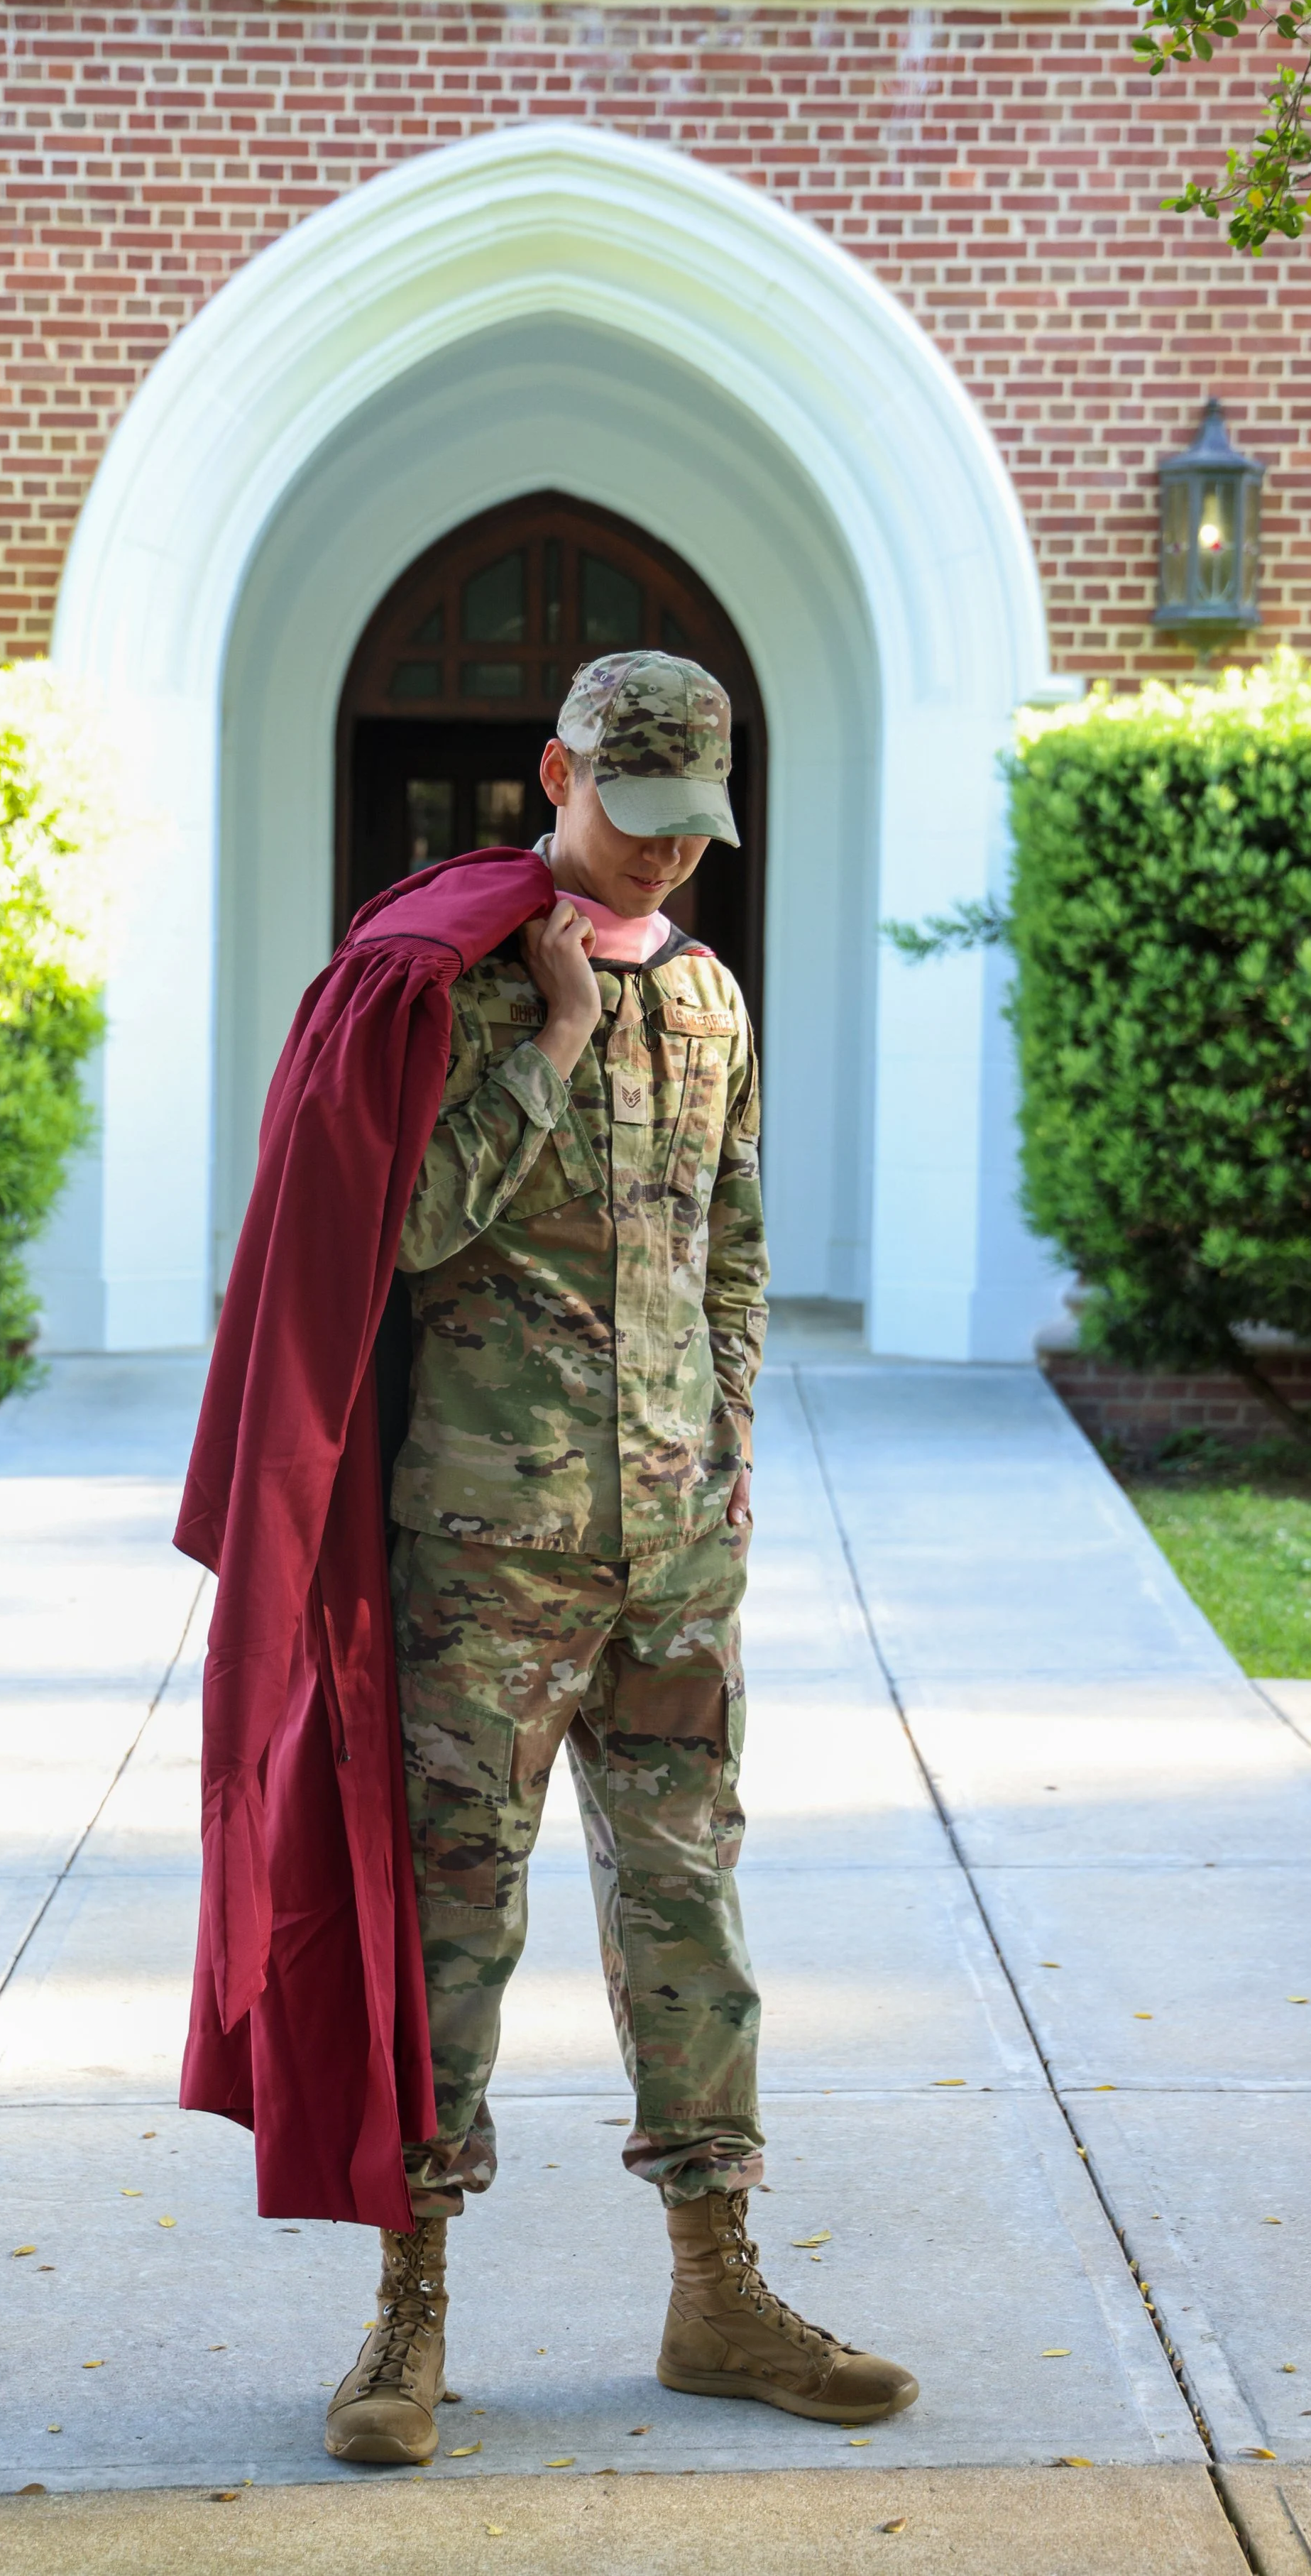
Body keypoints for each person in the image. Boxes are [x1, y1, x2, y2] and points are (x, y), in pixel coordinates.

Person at [323, 650, 920, 2466]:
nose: (667, 859)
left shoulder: (719, 999)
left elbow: (732, 1246)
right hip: (489, 1545)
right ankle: (408, 2304)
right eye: (638, 818)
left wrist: (723, 1453)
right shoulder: (453, 980)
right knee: (453, 1922)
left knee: (689, 1912)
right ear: (556, 776)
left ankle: (713, 2285)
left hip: (670, 1554)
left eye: (694, 828)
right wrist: (555, 1039)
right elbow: (396, 1233)